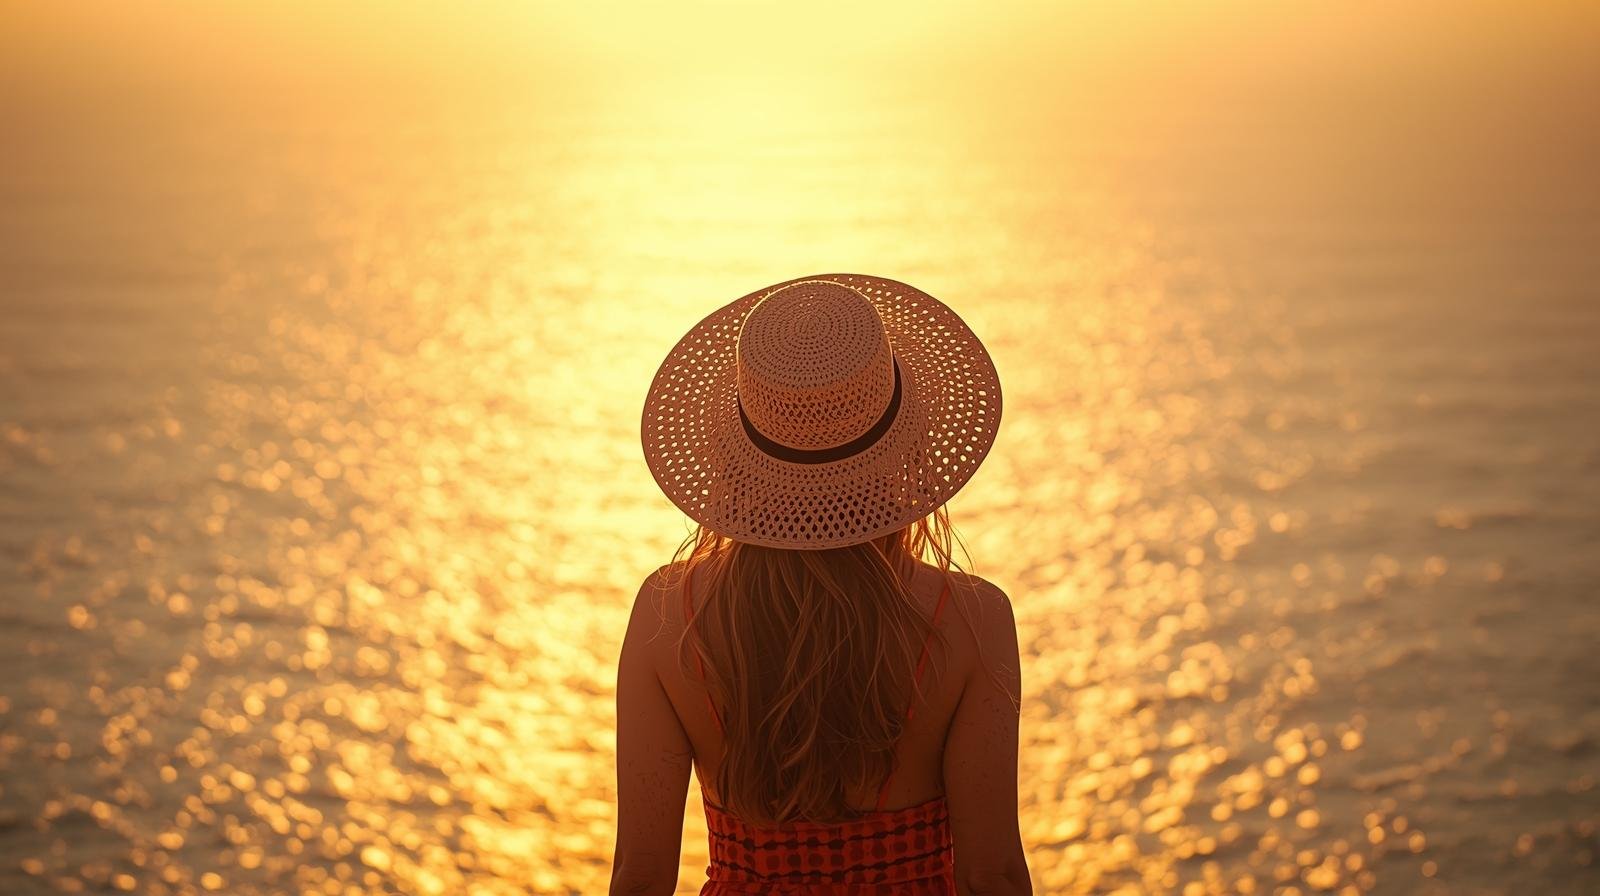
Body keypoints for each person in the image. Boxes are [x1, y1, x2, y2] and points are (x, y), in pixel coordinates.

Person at [613, 275, 1031, 895]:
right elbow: (989, 873)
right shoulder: (972, 621)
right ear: (906, 443)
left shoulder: (668, 617)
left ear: (734, 447)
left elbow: (642, 876)